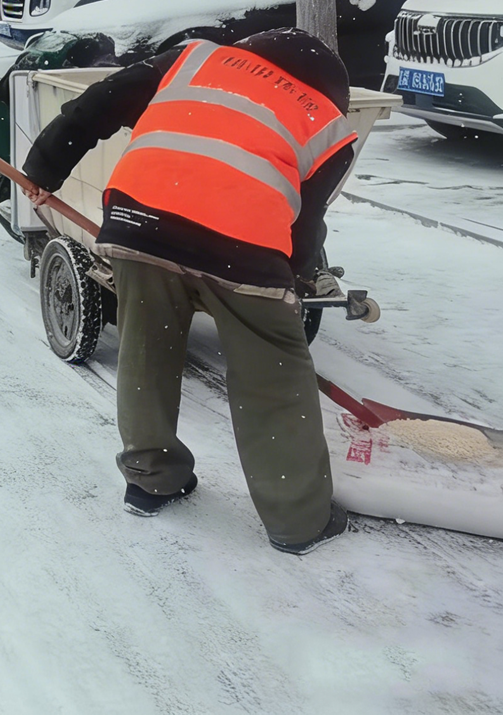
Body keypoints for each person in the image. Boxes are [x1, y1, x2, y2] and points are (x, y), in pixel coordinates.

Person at [20, 28, 358, 555]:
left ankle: (150, 480)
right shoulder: (330, 124)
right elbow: (306, 221)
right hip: (243, 244)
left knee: (146, 352)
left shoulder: (194, 60)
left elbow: (100, 103)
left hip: (138, 220)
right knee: (273, 378)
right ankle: (299, 520)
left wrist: (45, 168)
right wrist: (286, 284)